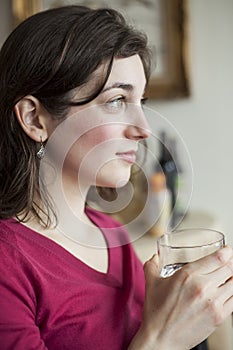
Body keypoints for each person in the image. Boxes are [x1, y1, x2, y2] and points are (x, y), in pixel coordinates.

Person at [0, 5, 233, 350]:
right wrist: (163, 338)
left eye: (141, 101)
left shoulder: (113, 235)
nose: (143, 129)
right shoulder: (8, 264)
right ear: (35, 119)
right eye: (116, 101)